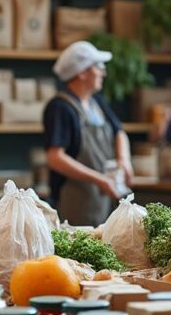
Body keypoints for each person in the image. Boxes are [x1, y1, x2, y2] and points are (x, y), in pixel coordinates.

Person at [43, 40, 132, 226]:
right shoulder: (60, 107)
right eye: (98, 67)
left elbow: (119, 132)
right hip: (74, 204)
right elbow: (55, 157)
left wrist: (124, 161)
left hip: (102, 199)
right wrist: (99, 180)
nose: (103, 72)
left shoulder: (96, 102)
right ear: (82, 72)